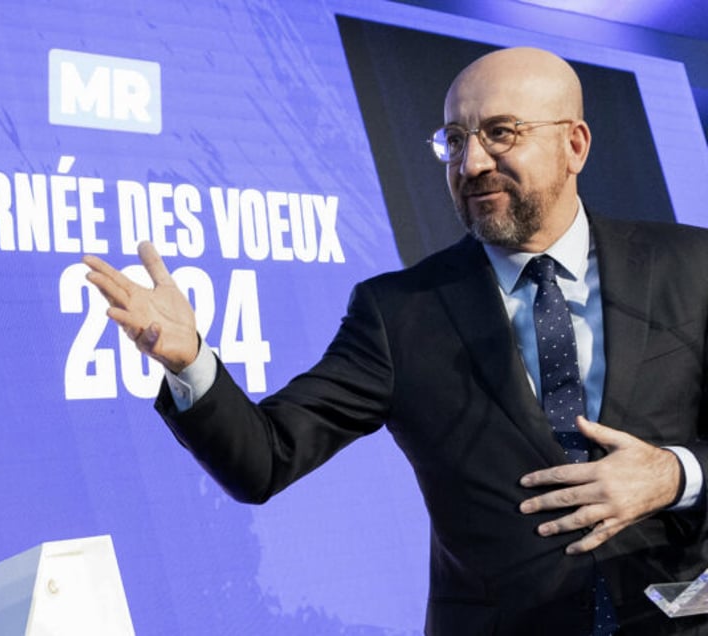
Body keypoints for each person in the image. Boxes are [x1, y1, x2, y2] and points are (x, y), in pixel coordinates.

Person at [83, 47, 708, 635]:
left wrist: (676, 474)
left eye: (501, 133)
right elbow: (263, 461)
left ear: (574, 144)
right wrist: (191, 362)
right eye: (454, 141)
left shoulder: (692, 266)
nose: (471, 164)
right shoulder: (400, 312)